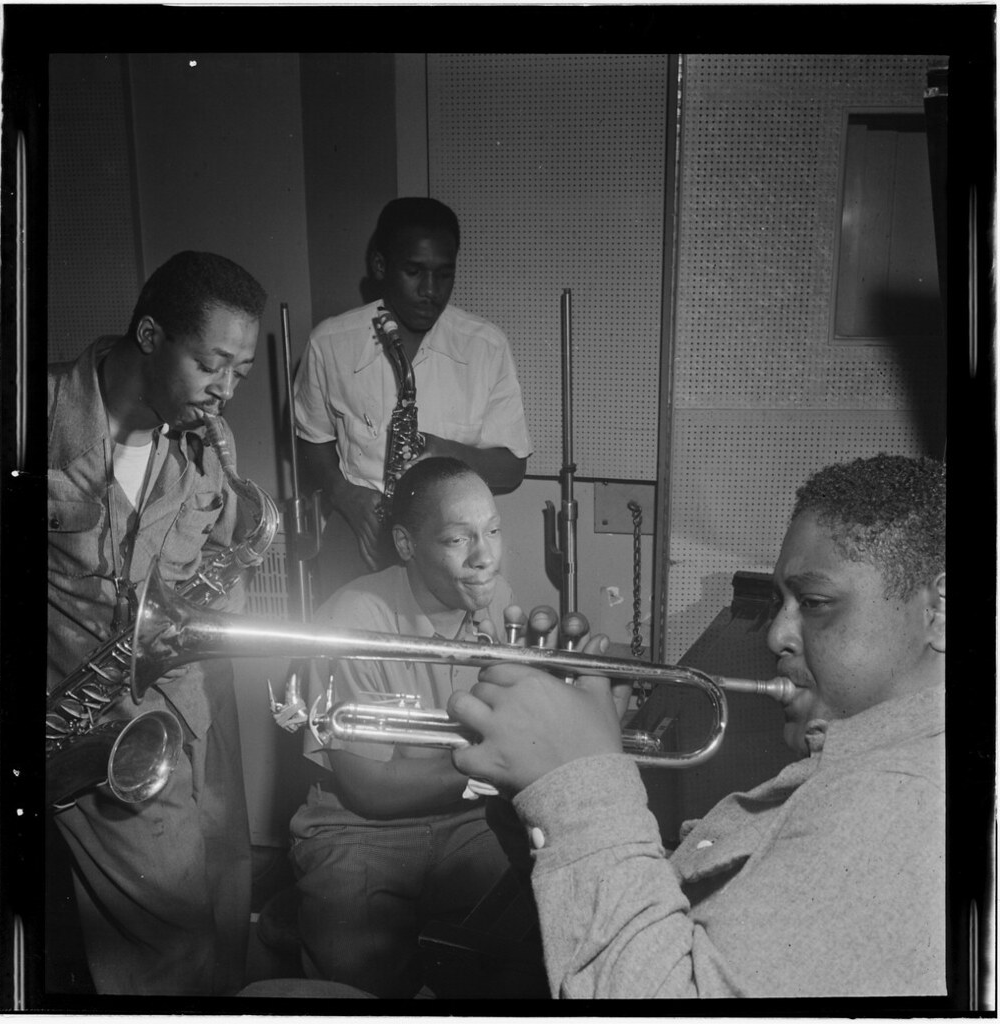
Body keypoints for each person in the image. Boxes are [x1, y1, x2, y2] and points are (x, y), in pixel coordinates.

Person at [447, 453, 947, 999]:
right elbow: (681, 929)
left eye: (815, 602)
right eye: (781, 601)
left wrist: (578, 783)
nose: (776, 634)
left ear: (940, 611)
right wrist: (540, 784)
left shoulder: (907, 799)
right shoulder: (868, 766)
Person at [47, 251, 268, 996]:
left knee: (215, 912)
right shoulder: (29, 416)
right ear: (149, 336)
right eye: (211, 365)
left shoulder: (206, 440)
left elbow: (220, 567)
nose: (226, 391)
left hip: (177, 710)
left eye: (241, 372)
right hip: (82, 721)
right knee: (171, 951)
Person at [286, 457, 516, 998]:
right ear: (407, 545)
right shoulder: (352, 620)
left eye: (492, 531)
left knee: (520, 945)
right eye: (458, 539)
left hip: (468, 819)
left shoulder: (497, 599)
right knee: (355, 989)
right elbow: (369, 789)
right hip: (358, 829)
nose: (485, 557)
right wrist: (495, 759)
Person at [292, 196, 532, 597]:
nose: (430, 291)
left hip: (453, 543)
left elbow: (512, 469)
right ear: (380, 265)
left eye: (444, 274)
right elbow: (312, 439)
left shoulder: (486, 347)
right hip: (361, 536)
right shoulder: (330, 343)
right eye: (414, 272)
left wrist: (446, 453)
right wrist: (344, 492)